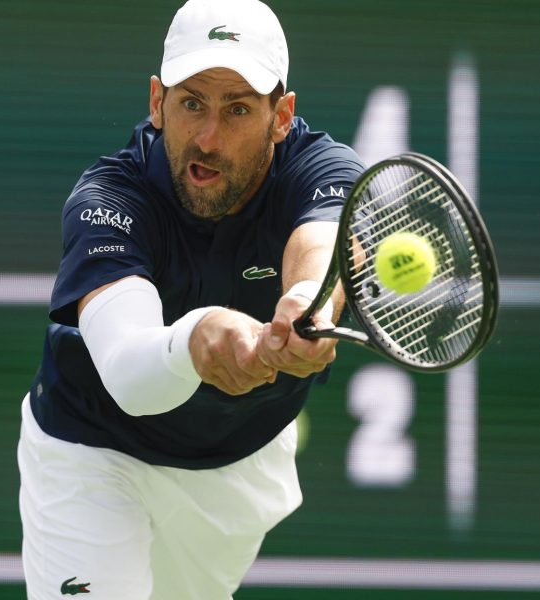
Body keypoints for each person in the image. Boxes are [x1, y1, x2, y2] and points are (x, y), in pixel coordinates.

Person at [18, 0, 364, 597]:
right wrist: (197, 337)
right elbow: (130, 373)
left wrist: (306, 300)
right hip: (93, 450)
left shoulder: (324, 168)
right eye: (191, 104)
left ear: (281, 117)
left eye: (237, 109)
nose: (208, 137)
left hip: (235, 467)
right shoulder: (109, 199)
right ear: (157, 103)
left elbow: (327, 239)